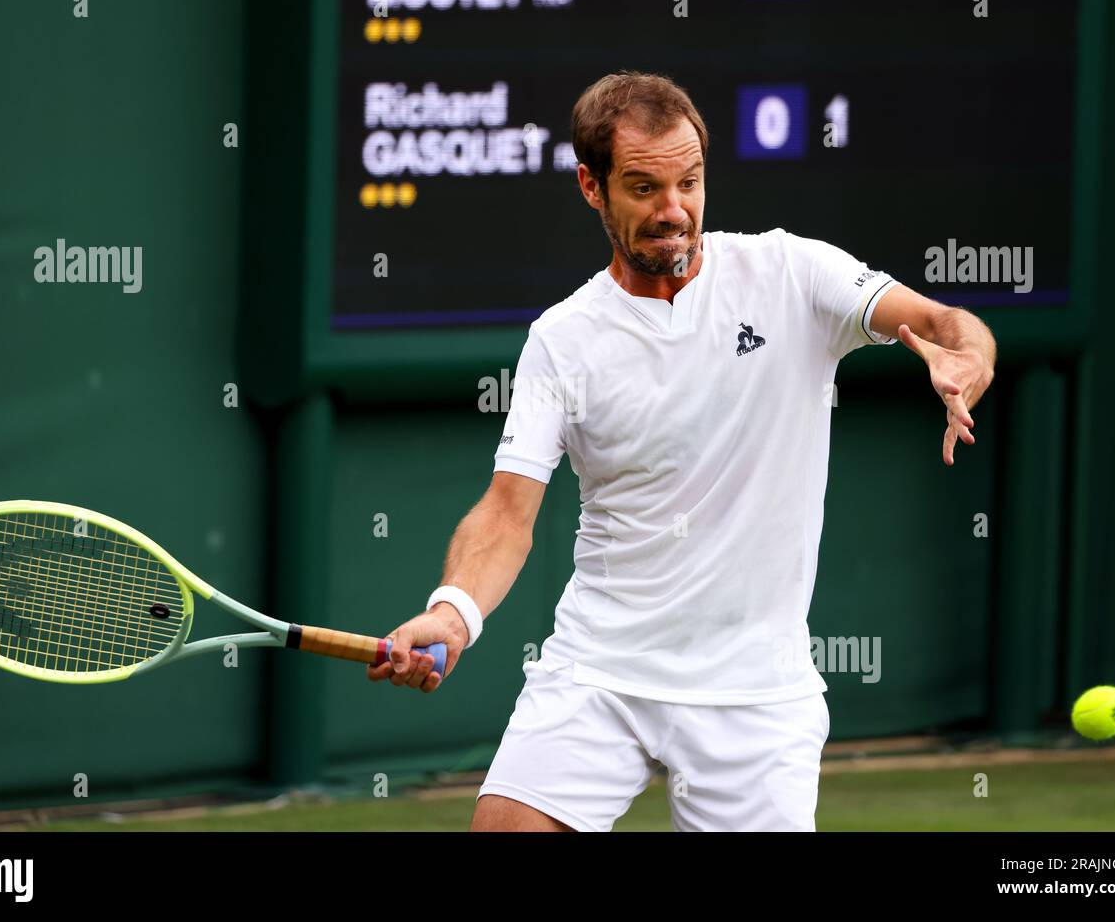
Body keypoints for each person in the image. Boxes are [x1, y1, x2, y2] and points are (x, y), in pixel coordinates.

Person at [367, 71, 996, 831]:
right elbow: (507, 513)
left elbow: (947, 319)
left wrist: (963, 356)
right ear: (591, 188)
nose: (675, 211)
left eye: (689, 183)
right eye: (644, 188)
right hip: (601, 670)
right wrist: (454, 612)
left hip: (756, 692)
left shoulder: (791, 272)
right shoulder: (561, 341)